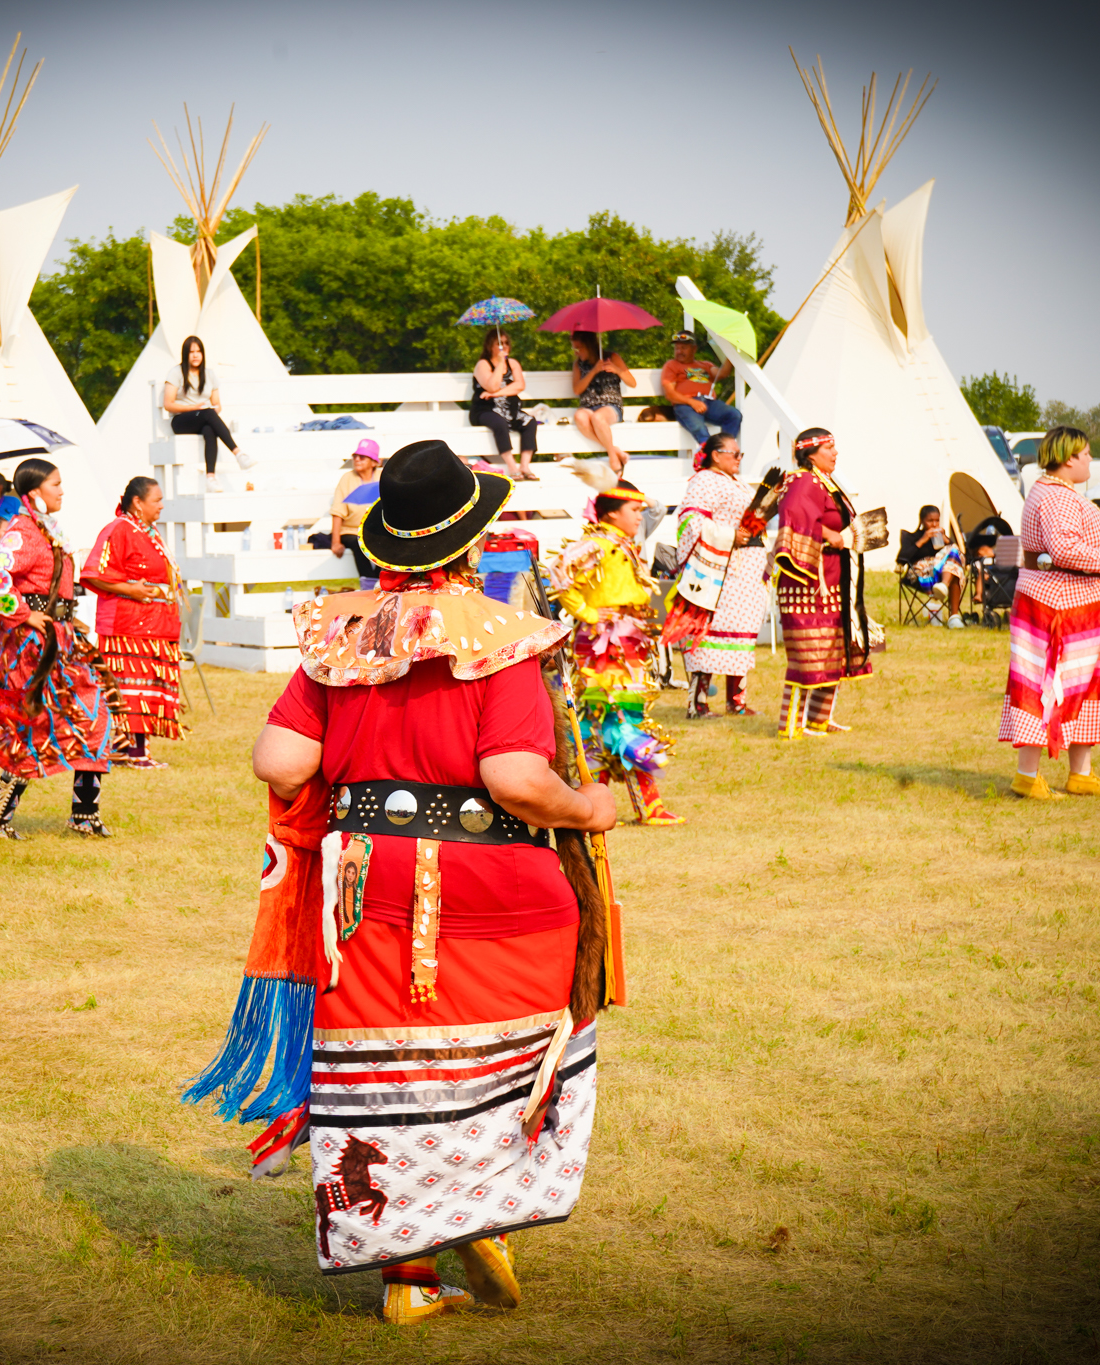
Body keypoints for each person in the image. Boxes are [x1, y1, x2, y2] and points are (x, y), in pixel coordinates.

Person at [215, 438, 616, 1323]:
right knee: (508, 1054)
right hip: (498, 883)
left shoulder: (340, 636)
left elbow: (280, 761)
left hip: (364, 889)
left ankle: (408, 1276)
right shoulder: (501, 636)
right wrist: (588, 807)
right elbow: (515, 778)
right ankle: (481, 1214)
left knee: (386, 1061)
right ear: (472, 541)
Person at [0, 459, 118, 838]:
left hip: (59, 638)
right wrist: (23, 614)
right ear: (35, 492)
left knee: (94, 716)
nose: (62, 491)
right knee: (33, 724)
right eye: (55, 484)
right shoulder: (24, 530)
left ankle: (84, 815)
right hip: (33, 645)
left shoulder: (44, 528)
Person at [999, 427, 1100, 799]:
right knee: (1044, 686)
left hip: (1077, 607)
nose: (1090, 459)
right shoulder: (1056, 497)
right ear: (1069, 458)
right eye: (1086, 454)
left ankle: (1080, 774)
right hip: (1060, 608)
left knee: (1085, 687)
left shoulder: (1055, 492)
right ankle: (1027, 775)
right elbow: (1064, 548)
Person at [550, 479, 681, 825]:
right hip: (604, 643)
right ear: (611, 513)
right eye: (633, 510)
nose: (640, 516)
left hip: (627, 638)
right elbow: (558, 570)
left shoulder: (622, 543)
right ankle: (644, 806)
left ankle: (598, 803)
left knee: (608, 719)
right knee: (619, 717)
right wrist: (588, 613)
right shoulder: (597, 544)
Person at [661, 434, 776, 718]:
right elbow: (690, 521)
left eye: (740, 455)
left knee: (742, 636)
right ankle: (698, 704)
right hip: (719, 572)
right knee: (708, 635)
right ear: (715, 455)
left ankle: (736, 702)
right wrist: (729, 535)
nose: (738, 459)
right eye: (734, 454)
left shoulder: (736, 482)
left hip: (746, 574)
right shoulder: (704, 480)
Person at [772, 428, 875, 738]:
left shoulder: (825, 482)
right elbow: (793, 518)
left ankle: (819, 719)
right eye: (829, 447)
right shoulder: (803, 481)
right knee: (808, 656)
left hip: (832, 577)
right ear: (811, 453)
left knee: (833, 650)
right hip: (807, 584)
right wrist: (828, 533)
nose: (835, 453)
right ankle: (791, 726)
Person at [82, 476, 186, 769]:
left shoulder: (149, 531)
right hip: (129, 625)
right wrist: (132, 590)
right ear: (138, 502)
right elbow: (93, 573)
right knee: (130, 686)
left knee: (146, 685)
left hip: (154, 623)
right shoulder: (119, 529)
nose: (162, 506)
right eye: (157, 500)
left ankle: (133, 751)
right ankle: (129, 751)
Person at [163, 335, 251, 494]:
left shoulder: (209, 374)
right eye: (191, 352)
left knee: (210, 429)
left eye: (198, 352)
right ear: (185, 354)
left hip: (203, 417)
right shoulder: (176, 372)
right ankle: (238, 453)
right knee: (207, 414)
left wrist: (211, 411)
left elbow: (217, 404)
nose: (195, 355)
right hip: (182, 420)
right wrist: (194, 408)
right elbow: (168, 404)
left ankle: (210, 478)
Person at [470, 328, 540, 481]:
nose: (505, 346)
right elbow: (492, 385)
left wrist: (496, 394)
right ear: (490, 346)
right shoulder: (483, 364)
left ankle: (525, 466)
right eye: (500, 343)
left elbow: (520, 385)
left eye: (506, 343)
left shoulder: (513, 363)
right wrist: (500, 364)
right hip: (486, 410)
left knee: (529, 422)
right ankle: (512, 467)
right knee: (499, 423)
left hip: (510, 410)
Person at [311, 439, 382, 588]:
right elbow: (338, 512)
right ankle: (369, 585)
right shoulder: (347, 479)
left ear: (374, 462)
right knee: (358, 543)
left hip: (377, 530)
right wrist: (335, 542)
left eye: (362, 457)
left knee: (386, 544)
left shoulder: (382, 477)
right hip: (351, 530)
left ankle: (379, 582)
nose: (357, 459)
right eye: (355, 456)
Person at [569, 331, 637, 473]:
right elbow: (577, 389)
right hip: (588, 406)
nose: (576, 352)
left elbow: (632, 382)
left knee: (598, 418)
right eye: (574, 348)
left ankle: (613, 459)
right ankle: (614, 450)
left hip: (610, 406)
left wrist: (617, 370)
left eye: (578, 348)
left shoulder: (611, 357)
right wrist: (593, 371)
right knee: (580, 417)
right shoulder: (578, 365)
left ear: (589, 346)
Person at [660, 332, 741, 451]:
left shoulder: (705, 365)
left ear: (694, 349)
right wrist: (692, 402)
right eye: (677, 348)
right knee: (700, 429)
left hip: (709, 402)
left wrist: (731, 352)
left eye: (683, 348)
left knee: (734, 415)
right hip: (686, 404)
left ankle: (725, 449)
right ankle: (709, 453)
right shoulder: (671, 365)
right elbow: (670, 394)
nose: (679, 351)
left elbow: (723, 373)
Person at [898, 504, 968, 627]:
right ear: (922, 521)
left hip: (942, 573)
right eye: (930, 521)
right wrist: (922, 540)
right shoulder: (912, 537)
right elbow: (902, 558)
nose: (934, 524)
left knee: (954, 558)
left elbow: (960, 556)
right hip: (921, 574)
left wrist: (947, 541)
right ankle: (954, 617)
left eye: (937, 521)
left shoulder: (940, 539)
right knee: (954, 569)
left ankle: (944, 588)